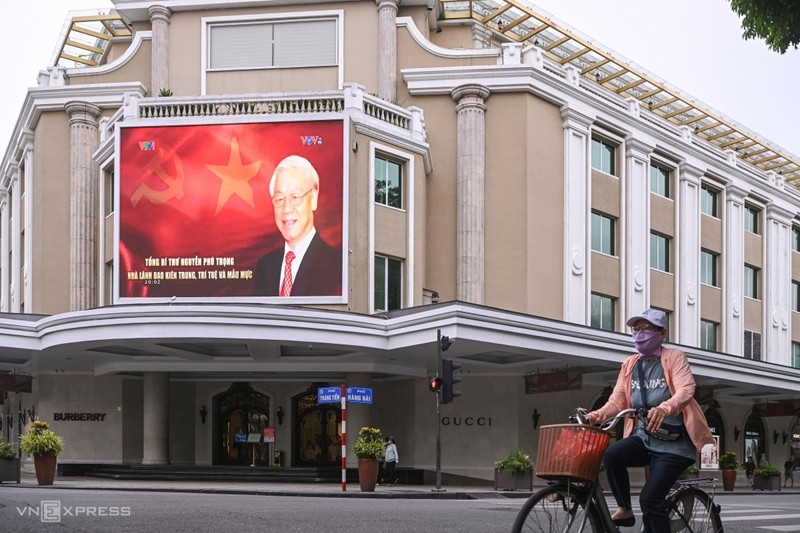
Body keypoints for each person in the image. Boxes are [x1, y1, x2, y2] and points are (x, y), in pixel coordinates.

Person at [587, 308, 714, 532]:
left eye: (647, 329)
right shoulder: (630, 365)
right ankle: (625, 508)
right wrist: (593, 417)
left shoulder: (674, 357)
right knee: (612, 454)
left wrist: (665, 408)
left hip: (674, 446)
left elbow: (686, 389)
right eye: (636, 329)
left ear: (661, 333)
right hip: (643, 438)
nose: (640, 333)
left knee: (650, 500)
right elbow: (617, 401)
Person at [254, 155, 342, 296]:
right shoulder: (265, 266)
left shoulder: (337, 265)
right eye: (279, 199)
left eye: (295, 197)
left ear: (313, 198)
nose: (287, 208)